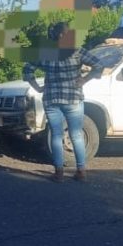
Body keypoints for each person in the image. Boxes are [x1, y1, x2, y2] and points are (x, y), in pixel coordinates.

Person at [23, 22, 104, 182]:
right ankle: (81, 170)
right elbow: (99, 65)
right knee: (76, 134)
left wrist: (37, 87)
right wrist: (84, 80)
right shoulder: (77, 51)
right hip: (73, 98)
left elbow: (27, 69)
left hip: (52, 98)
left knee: (56, 135)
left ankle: (59, 172)